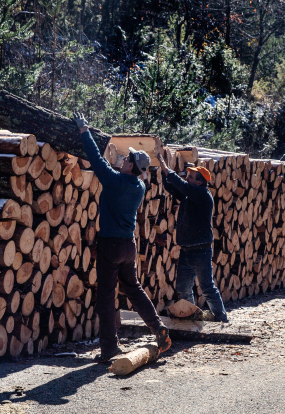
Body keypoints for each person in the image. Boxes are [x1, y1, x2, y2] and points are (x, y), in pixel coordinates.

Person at [73, 112, 171, 362]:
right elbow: (118, 168)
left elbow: (96, 160)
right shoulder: (139, 187)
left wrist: (85, 132)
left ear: (130, 166)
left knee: (106, 296)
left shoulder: (115, 181)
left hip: (110, 245)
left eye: (127, 158)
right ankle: (157, 327)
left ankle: (109, 348)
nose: (123, 158)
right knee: (134, 289)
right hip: (128, 245)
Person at [158, 152, 229, 323]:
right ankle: (190, 317)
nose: (187, 178)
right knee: (183, 289)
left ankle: (221, 318)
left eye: (190, 177)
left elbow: (182, 186)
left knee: (207, 288)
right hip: (187, 250)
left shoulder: (202, 195)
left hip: (201, 251)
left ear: (199, 182)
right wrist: (163, 171)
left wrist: (167, 169)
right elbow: (172, 188)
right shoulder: (190, 195)